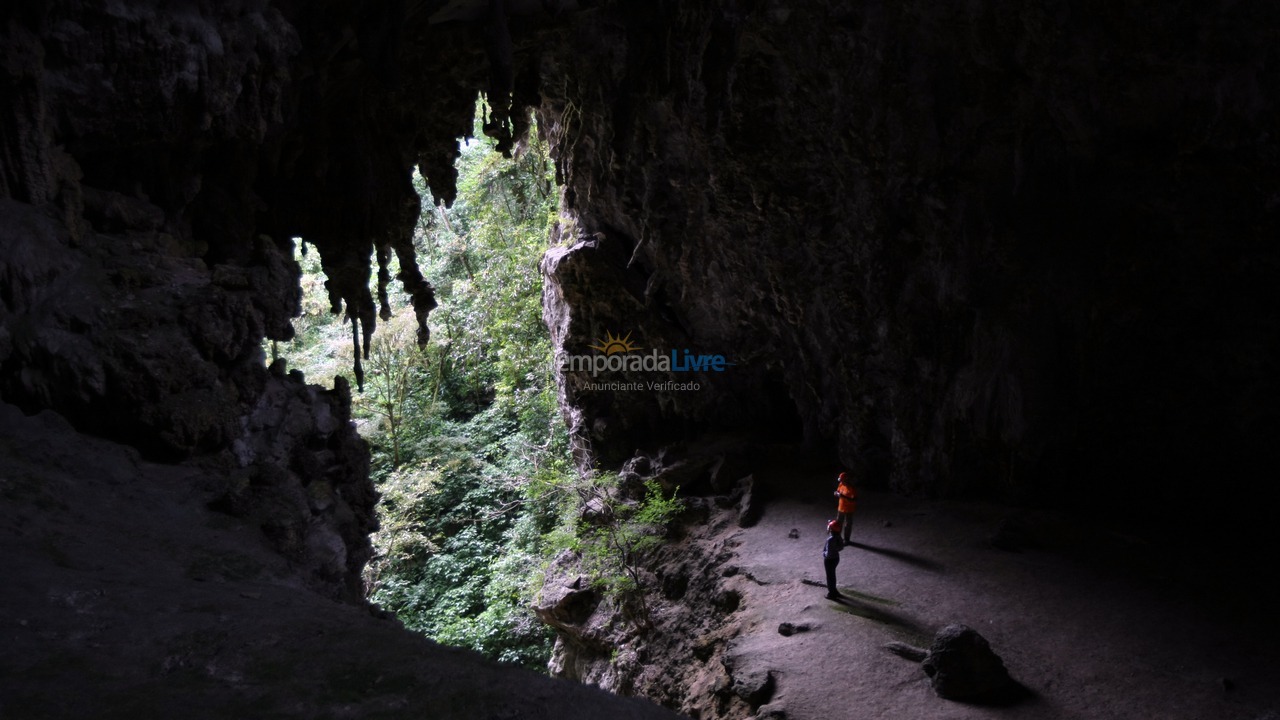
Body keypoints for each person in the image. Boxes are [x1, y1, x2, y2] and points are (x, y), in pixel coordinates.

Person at [822, 519, 845, 599]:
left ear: (831, 530)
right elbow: (841, 547)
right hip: (836, 558)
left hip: (829, 560)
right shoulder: (839, 537)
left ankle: (831, 594)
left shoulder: (830, 540)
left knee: (829, 577)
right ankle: (835, 591)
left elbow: (828, 553)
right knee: (832, 575)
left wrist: (823, 554)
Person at [833, 471, 857, 543]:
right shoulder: (841, 484)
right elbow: (838, 491)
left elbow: (853, 500)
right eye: (840, 480)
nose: (841, 481)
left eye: (842, 480)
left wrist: (843, 496)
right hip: (841, 508)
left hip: (849, 509)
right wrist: (836, 494)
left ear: (846, 480)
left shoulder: (851, 488)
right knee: (838, 524)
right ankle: (837, 538)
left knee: (847, 525)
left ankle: (846, 540)